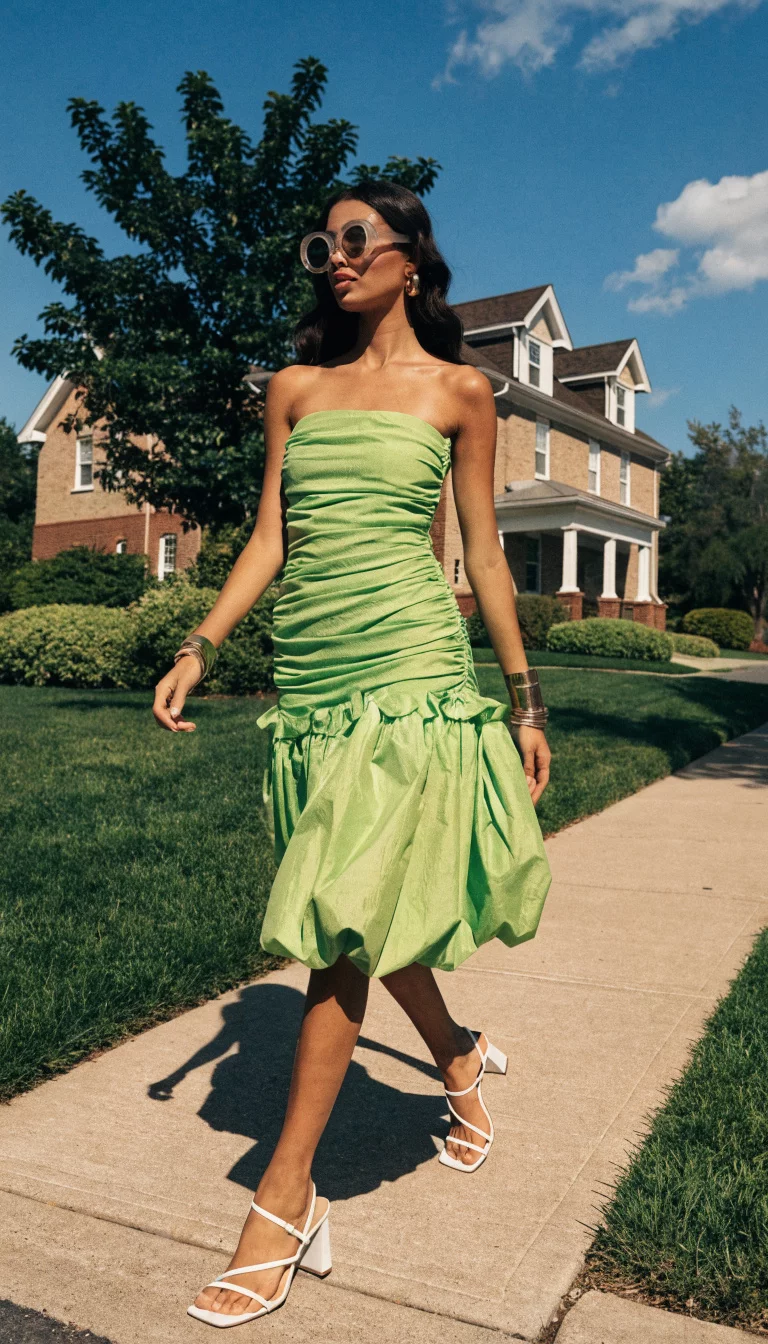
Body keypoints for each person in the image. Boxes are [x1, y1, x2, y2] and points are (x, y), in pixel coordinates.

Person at [152, 180, 552, 1328]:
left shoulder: (462, 393)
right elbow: (271, 534)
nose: (333, 256)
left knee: (337, 920)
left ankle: (284, 1204)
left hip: (415, 674)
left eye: (356, 238)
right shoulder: (295, 389)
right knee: (364, 910)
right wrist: (200, 642)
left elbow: (480, 551)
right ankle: (460, 1058)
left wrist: (524, 701)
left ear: (411, 263)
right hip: (315, 682)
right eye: (321, 242)